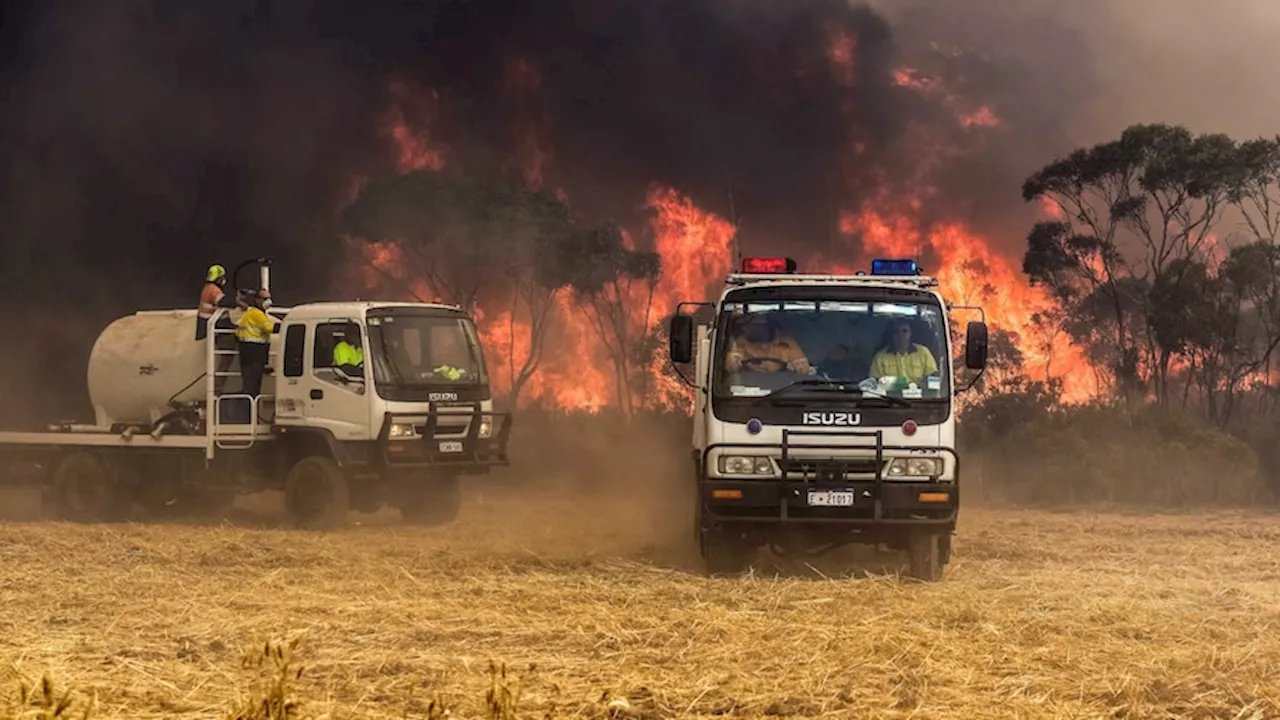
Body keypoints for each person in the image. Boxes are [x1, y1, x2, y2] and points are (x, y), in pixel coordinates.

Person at [196, 264, 238, 394]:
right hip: (218, 329)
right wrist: (239, 301)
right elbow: (223, 302)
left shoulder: (207, 288)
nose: (224, 280)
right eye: (222, 277)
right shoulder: (213, 290)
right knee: (226, 358)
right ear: (218, 278)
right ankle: (218, 388)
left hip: (215, 327)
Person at [723, 312, 812, 374]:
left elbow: (803, 368)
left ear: (768, 326)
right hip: (751, 388)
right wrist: (734, 362)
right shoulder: (741, 343)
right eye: (752, 326)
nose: (755, 330)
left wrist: (794, 368)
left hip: (782, 387)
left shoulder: (785, 342)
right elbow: (730, 367)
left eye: (760, 326)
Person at [868, 318, 938, 386]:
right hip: (889, 397)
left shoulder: (923, 352)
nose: (900, 335)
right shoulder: (880, 357)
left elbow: (933, 377)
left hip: (919, 396)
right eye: (896, 331)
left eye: (905, 331)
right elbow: (874, 382)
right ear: (891, 335)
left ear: (911, 333)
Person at [235, 288, 275, 403]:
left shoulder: (251, 312)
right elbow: (269, 328)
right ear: (257, 300)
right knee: (251, 389)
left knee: (252, 388)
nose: (269, 301)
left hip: (250, 356)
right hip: (253, 356)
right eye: (265, 298)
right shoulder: (257, 314)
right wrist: (287, 324)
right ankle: (247, 416)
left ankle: (248, 415)